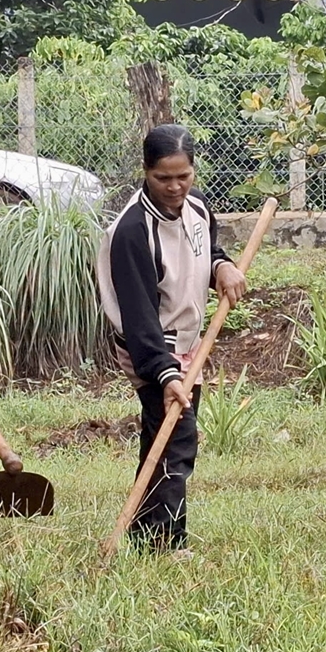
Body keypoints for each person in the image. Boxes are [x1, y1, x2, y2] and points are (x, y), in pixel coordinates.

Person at [96, 125, 247, 554]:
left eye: (183, 176)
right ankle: (165, 544)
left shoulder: (196, 207)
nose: (175, 187)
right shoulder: (131, 233)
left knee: (165, 439)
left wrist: (222, 267)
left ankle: (149, 534)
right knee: (176, 439)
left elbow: (206, 250)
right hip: (151, 347)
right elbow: (140, 319)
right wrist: (165, 376)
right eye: (164, 178)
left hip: (187, 339)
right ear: (145, 172)